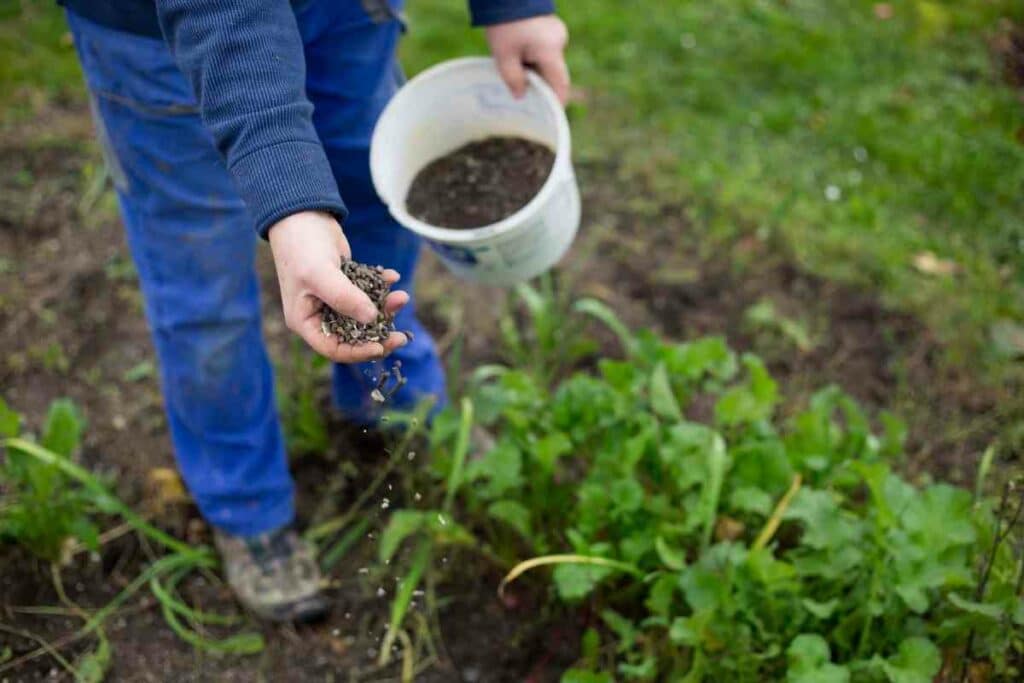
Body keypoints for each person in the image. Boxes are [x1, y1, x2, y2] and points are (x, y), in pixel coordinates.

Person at [58, 0, 570, 622]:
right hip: (162, 32)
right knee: (203, 287)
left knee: (377, 192)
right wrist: (290, 197)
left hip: (345, 10)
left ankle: (383, 392)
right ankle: (246, 506)